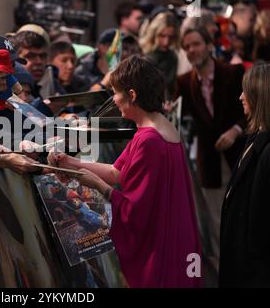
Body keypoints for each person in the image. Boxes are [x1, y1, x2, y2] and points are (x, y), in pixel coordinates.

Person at [48, 56, 202, 287]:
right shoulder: (157, 127)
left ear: (132, 95)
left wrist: (98, 186)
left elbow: (136, 210)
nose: (113, 100)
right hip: (177, 239)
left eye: (115, 92)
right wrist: (70, 162)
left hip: (161, 247)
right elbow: (116, 172)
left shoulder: (149, 139)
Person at [172, 27, 246, 274]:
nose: (192, 50)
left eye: (196, 44)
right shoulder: (184, 82)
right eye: (187, 47)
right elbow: (174, 112)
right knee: (215, 218)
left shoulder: (233, 72)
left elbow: (252, 111)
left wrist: (235, 130)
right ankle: (224, 269)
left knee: (243, 213)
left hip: (239, 154)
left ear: (208, 45)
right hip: (209, 160)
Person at [219, 64, 270, 287]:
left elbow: (261, 219)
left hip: (254, 270)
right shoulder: (254, 138)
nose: (240, 97)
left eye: (245, 91)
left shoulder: (267, 149)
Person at [140, 11, 179, 100]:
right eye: (162, 36)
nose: (166, 42)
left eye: (170, 37)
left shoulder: (173, 57)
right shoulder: (144, 56)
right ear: (154, 34)